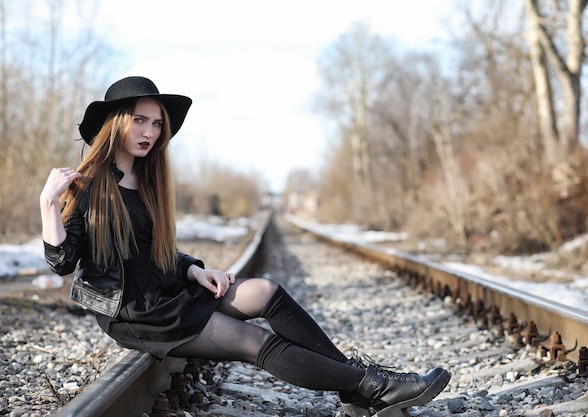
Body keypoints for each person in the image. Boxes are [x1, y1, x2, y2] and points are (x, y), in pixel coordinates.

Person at [40, 76, 450, 417]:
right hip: (137, 312)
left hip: (166, 293)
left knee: (266, 291)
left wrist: (193, 270)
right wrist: (48, 204)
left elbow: (148, 252)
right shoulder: (89, 184)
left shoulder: (148, 182)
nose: (149, 132)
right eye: (139, 121)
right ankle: (373, 385)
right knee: (252, 342)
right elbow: (62, 262)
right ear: (115, 123)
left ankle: (355, 387)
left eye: (157, 123)